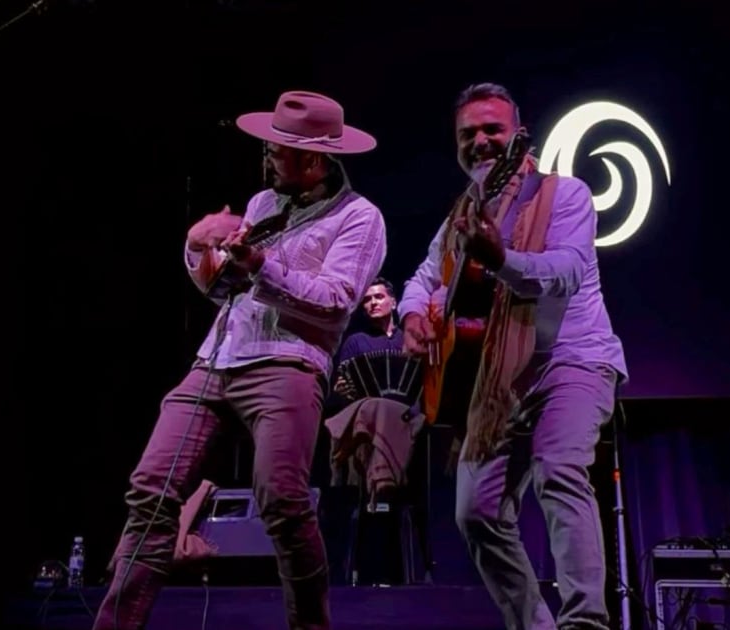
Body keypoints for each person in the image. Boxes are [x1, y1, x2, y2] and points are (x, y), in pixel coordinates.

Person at [92, 90, 386, 630]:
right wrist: (197, 245)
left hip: (288, 362)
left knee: (283, 501)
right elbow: (220, 288)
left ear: (314, 158)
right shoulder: (262, 204)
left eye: (276, 150)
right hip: (218, 358)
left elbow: (336, 301)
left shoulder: (360, 218)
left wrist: (260, 263)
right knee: (150, 489)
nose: (267, 158)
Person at [399, 82, 627, 630]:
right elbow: (422, 280)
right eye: (468, 134)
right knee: (475, 512)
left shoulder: (564, 194)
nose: (480, 141)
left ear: (518, 135)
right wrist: (411, 316)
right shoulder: (460, 219)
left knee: (559, 469)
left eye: (491, 130)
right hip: (498, 381)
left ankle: (584, 623)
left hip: (572, 359)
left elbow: (566, 273)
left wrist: (501, 260)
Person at [324, 276, 424, 505]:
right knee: (370, 413)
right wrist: (343, 389)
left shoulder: (409, 338)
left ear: (394, 302)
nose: (373, 303)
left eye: (379, 297)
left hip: (408, 413)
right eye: (367, 300)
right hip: (367, 417)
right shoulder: (356, 342)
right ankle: (377, 493)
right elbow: (342, 388)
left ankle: (385, 493)